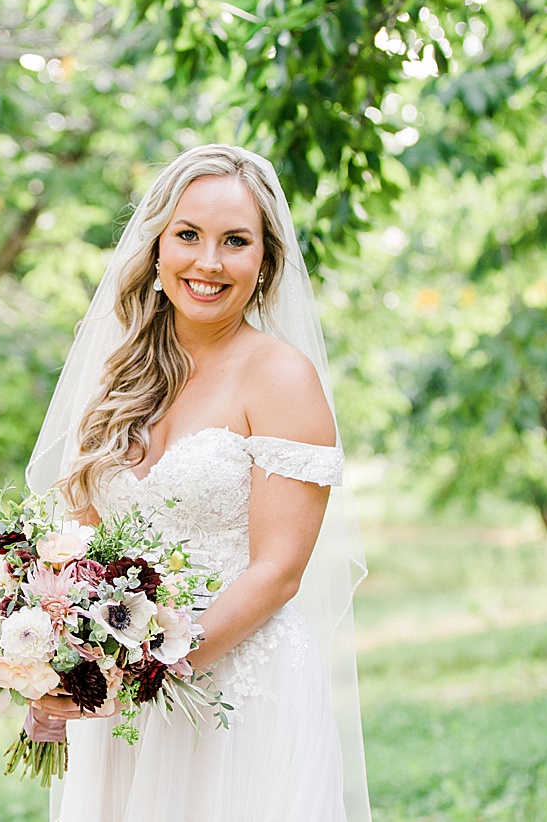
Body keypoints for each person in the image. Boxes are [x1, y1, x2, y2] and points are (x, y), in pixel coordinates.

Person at [24, 145, 372, 821]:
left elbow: (277, 572)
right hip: (126, 710)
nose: (208, 263)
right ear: (156, 248)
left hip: (241, 694)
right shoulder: (118, 378)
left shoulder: (280, 378)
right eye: (188, 235)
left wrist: (139, 676)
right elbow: (85, 551)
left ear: (265, 262)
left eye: (235, 241)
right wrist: (53, 665)